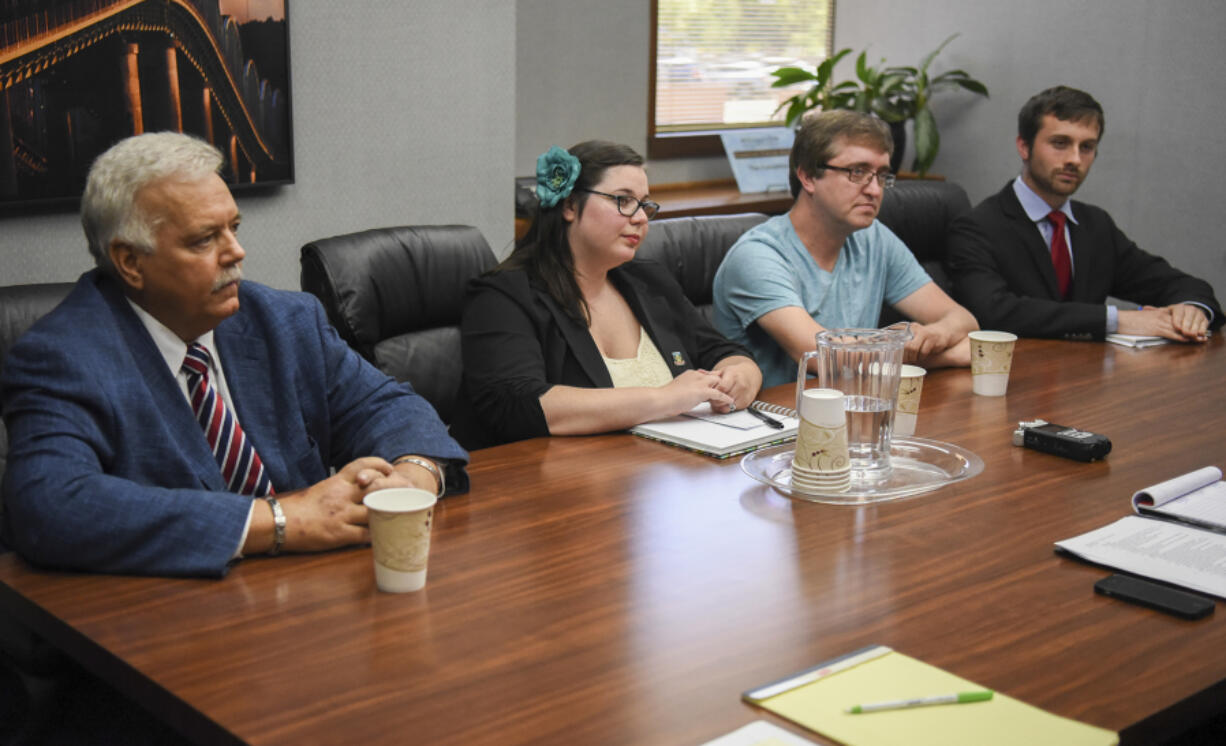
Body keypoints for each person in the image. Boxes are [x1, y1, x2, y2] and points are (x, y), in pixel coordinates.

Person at [0, 132, 468, 578]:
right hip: (170, 624)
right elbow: (51, 504)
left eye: (234, 228)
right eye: (204, 239)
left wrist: (410, 481)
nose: (236, 252)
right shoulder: (63, 356)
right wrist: (280, 520)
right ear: (129, 262)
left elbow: (389, 407)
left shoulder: (284, 320)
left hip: (312, 598)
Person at [456, 140, 762, 448]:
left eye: (644, 205)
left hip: (658, 474)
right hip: (551, 481)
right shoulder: (502, 297)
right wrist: (664, 399)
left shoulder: (649, 280)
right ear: (569, 206)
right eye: (623, 201)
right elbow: (518, 404)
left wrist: (742, 376)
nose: (641, 218)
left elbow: (723, 351)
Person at [713, 110, 978, 388]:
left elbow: (964, 320)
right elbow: (825, 359)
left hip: (854, 405)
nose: (875, 191)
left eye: (881, 175)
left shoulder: (873, 238)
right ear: (808, 177)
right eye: (858, 172)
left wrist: (935, 335)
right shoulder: (757, 255)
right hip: (776, 419)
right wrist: (941, 355)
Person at [946, 85, 1222, 341]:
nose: (1074, 160)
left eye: (1087, 147)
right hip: (1017, 379)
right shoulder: (976, 226)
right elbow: (994, 312)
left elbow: (1177, 283)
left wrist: (1192, 310)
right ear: (1024, 146)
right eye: (1060, 143)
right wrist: (1118, 320)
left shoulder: (1095, 224)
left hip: (1089, 378)